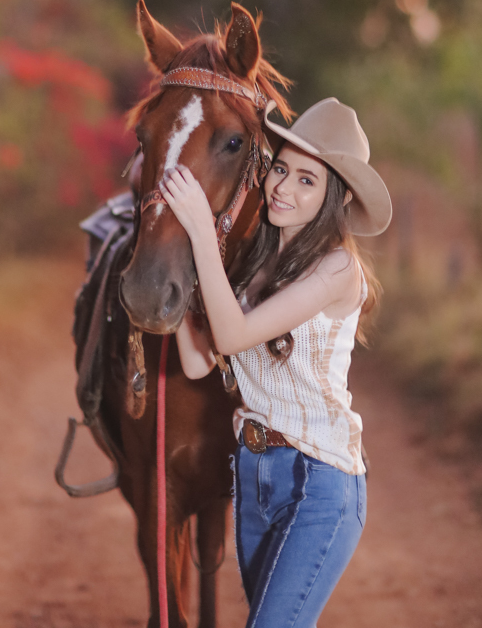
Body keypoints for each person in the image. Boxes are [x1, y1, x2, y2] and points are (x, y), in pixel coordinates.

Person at [161, 97, 392, 628]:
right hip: (255, 472)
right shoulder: (254, 270)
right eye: (281, 169)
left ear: (336, 196)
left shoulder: (337, 270)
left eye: (307, 180)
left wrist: (199, 230)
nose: (283, 187)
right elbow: (199, 364)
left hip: (318, 483)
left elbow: (233, 334)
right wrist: (173, 263)